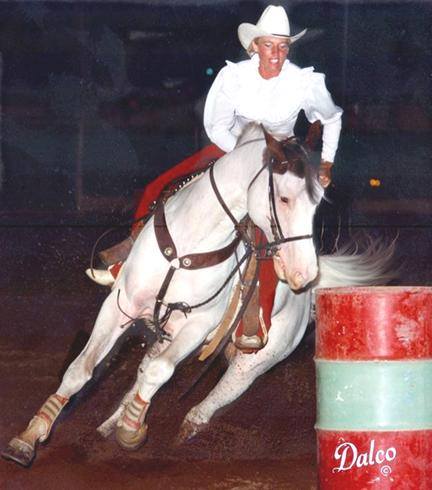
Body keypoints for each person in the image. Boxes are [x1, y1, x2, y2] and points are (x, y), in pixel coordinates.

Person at [86, 5, 343, 348]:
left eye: (283, 47)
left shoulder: (303, 81)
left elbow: (333, 117)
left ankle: (257, 315)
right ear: (255, 46)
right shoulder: (233, 76)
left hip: (280, 157)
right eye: (270, 45)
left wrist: (326, 162)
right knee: (159, 186)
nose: (277, 54)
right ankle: (126, 258)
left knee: (271, 229)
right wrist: (241, 157)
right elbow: (216, 124)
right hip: (231, 148)